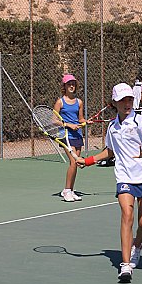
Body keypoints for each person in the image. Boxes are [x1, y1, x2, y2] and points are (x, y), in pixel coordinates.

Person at [76, 83, 142, 283]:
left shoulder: (140, 121)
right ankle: (125, 266)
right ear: (114, 103)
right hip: (124, 176)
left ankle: (137, 245)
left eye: (130, 99)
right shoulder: (112, 127)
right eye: (123, 100)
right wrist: (89, 161)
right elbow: (110, 151)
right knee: (127, 214)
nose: (127, 103)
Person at [54, 74, 86, 202]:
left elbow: (80, 119)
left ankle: (70, 190)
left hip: (77, 135)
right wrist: (68, 125)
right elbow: (54, 120)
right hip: (65, 136)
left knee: (77, 163)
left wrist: (84, 122)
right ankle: (67, 190)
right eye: (69, 84)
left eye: (73, 83)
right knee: (73, 162)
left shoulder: (79, 102)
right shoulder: (60, 102)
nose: (71, 86)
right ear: (65, 87)